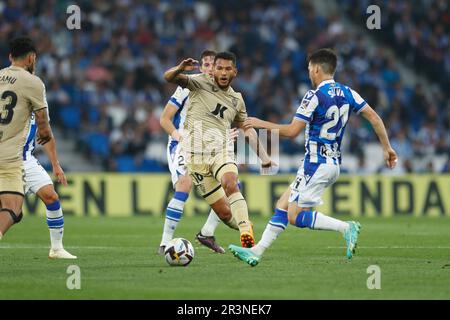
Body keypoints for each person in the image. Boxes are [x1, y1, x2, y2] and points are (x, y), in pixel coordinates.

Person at [229, 48, 398, 266]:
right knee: (282, 205)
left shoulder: (314, 95)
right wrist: (387, 147)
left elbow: (292, 132)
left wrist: (258, 122)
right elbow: (374, 117)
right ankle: (256, 252)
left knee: (295, 216)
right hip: (332, 163)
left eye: (310, 69)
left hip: (316, 164)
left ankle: (345, 227)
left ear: (317, 69)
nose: (309, 74)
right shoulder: (348, 92)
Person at [164, 51, 275, 248]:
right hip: (195, 158)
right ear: (214, 70)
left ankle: (244, 231)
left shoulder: (237, 100)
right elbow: (168, 77)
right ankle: (244, 224)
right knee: (224, 213)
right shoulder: (198, 82)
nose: (223, 72)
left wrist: (264, 158)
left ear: (235, 72)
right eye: (220, 68)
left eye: (228, 69)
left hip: (221, 151)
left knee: (230, 182)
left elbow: (247, 130)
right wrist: (180, 68)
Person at [159, 50, 227, 254]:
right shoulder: (187, 87)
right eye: (204, 64)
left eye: (211, 65)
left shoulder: (222, 92)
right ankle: (164, 243)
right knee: (185, 183)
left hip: (207, 145)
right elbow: (164, 119)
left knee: (231, 185)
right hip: (182, 143)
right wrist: (179, 137)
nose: (208, 69)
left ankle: (207, 233)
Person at [0, 37, 52, 240]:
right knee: (13, 208)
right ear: (31, 58)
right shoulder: (33, 83)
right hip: (9, 156)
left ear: (10, 57)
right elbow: (42, 123)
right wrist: (45, 133)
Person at [23, 112, 77, 259]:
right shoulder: (10, 95)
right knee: (11, 209)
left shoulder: (39, 101)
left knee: (51, 196)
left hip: (26, 159)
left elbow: (45, 133)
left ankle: (57, 248)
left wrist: (55, 164)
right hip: (6, 159)